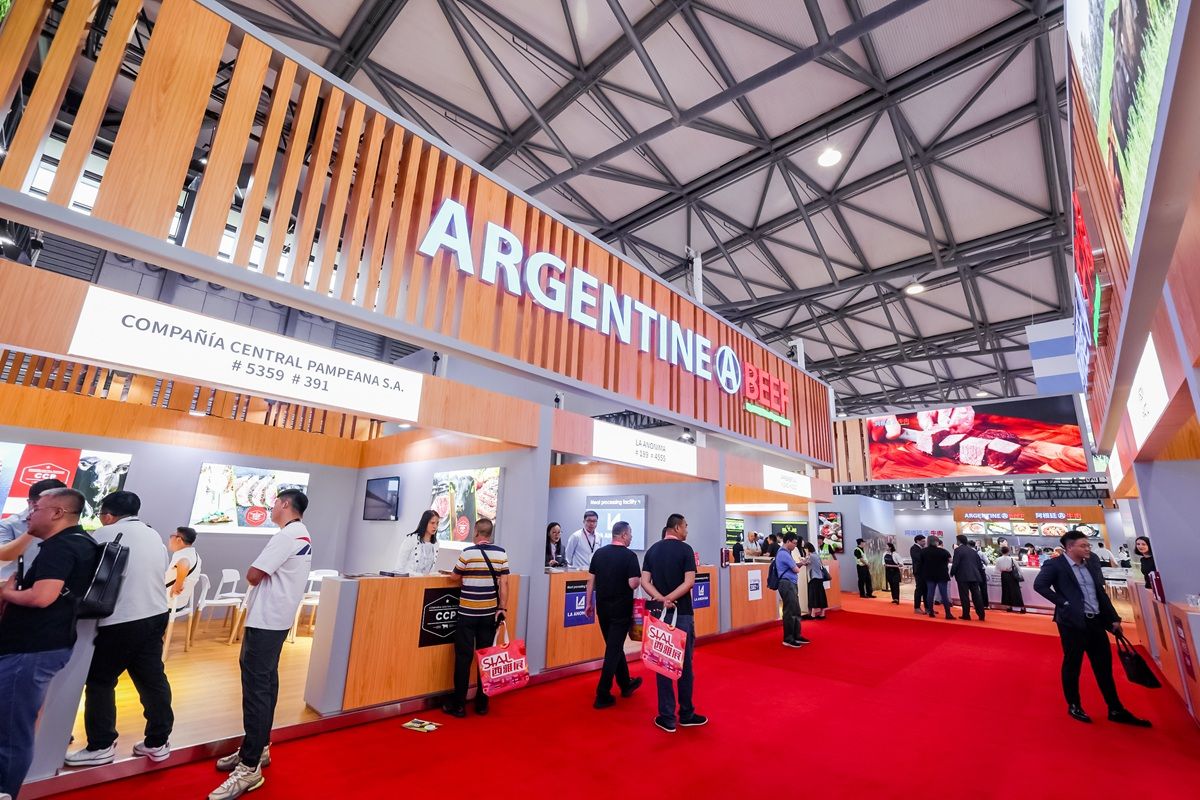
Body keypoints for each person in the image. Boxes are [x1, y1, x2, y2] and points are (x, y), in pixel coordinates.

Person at [209, 489, 312, 800]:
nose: (271, 508)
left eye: (274, 503)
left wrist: (253, 573)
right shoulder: (300, 533)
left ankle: (250, 766)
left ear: (284, 504)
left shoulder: (287, 535)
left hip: (267, 620)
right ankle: (259, 748)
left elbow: (253, 575)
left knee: (256, 688)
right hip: (275, 619)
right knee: (265, 683)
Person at [0, 488, 98, 800]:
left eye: (36, 507)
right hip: (38, 645)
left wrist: (7, 593)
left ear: (57, 513)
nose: (30, 514)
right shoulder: (79, 542)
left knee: (12, 733)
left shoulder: (62, 546)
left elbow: (42, 597)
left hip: (32, 648)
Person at [67, 492, 174, 767]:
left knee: (101, 680)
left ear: (107, 514)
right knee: (152, 679)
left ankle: (101, 744)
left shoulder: (104, 533)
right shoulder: (153, 535)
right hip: (156, 613)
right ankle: (158, 741)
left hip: (122, 619)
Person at [1033, 530, 1150, 727]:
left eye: (1088, 545)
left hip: (1096, 621)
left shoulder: (1093, 562)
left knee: (1103, 666)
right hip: (1072, 624)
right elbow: (1040, 585)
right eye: (1083, 546)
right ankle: (1074, 705)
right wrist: (1064, 603)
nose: (1088, 549)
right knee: (1073, 664)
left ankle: (1115, 708)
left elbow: (1100, 592)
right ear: (1069, 547)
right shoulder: (1055, 565)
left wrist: (1113, 618)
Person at [641, 514, 706, 733]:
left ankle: (667, 717)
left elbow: (644, 581)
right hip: (683, 613)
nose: (687, 530)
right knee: (685, 664)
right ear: (677, 527)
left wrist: (661, 598)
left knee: (663, 663)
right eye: (685, 526)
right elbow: (689, 582)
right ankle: (686, 714)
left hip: (660, 615)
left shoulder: (652, 550)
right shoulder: (686, 550)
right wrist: (671, 598)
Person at [442, 518, 509, 719]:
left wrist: (453, 573)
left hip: (467, 614)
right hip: (488, 615)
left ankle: (459, 705)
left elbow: (454, 577)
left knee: (463, 659)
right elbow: (504, 583)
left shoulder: (467, 553)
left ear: (476, 533)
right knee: (485, 659)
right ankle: (482, 704)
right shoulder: (501, 553)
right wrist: (502, 608)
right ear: (490, 534)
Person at [585, 521, 643, 708]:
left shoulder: (599, 554)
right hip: (621, 609)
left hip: (602, 608)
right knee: (613, 649)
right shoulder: (630, 556)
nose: (632, 537)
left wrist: (588, 603)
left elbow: (590, 581)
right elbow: (633, 583)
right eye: (631, 534)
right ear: (624, 535)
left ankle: (626, 684)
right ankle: (602, 693)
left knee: (614, 646)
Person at [0, 479, 67, 581]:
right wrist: (34, 526)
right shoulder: (8, 524)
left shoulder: (66, 524)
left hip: (49, 588)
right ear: (31, 503)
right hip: (10, 587)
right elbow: (4, 556)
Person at [774, 534, 809, 648]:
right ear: (787, 541)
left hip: (790, 584)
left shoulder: (786, 553)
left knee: (796, 610)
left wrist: (800, 564)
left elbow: (794, 566)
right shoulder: (784, 553)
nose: (795, 545)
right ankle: (788, 638)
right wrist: (800, 565)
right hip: (787, 584)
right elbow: (795, 569)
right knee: (790, 611)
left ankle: (796, 635)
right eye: (794, 543)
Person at [950, 534, 986, 621]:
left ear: (959, 541)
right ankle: (981, 614)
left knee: (964, 596)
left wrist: (952, 573)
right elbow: (979, 564)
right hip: (974, 576)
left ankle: (966, 614)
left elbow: (956, 563)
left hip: (963, 576)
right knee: (977, 595)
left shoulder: (958, 550)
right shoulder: (973, 551)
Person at [166, 526, 202, 609]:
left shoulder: (183, 555)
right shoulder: (195, 555)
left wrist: (178, 584)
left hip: (168, 603)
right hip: (181, 603)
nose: (170, 539)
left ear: (178, 539)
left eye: (172, 536)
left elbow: (184, 563)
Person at [396, 510, 440, 576]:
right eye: (432, 523)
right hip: (410, 581)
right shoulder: (411, 539)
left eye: (437, 523)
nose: (435, 526)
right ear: (425, 523)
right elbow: (399, 567)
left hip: (426, 583)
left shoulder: (436, 543)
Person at [923, 536, 953, 619]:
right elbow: (951, 560)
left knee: (930, 593)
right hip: (942, 574)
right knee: (944, 594)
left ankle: (931, 612)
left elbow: (921, 563)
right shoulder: (943, 551)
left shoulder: (923, 551)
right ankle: (948, 613)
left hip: (929, 574)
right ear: (936, 542)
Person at [995, 546, 1025, 613]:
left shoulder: (998, 559)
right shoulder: (1011, 559)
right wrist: (1021, 575)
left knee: (1006, 591)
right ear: (1008, 551)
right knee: (1016, 592)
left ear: (1001, 551)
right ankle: (1022, 608)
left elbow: (996, 570)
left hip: (1004, 575)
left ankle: (1009, 607)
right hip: (1012, 576)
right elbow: (1019, 568)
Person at [803, 542, 828, 619]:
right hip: (820, 577)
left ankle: (813, 614)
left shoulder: (810, 556)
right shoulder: (817, 555)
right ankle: (822, 614)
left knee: (813, 596)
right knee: (821, 596)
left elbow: (804, 563)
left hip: (813, 578)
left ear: (807, 549)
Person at [910, 534, 927, 614]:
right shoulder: (914, 548)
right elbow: (919, 558)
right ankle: (917, 607)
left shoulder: (923, 548)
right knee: (919, 590)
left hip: (924, 572)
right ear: (918, 541)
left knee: (926, 590)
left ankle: (927, 608)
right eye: (923, 541)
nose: (925, 542)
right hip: (919, 572)